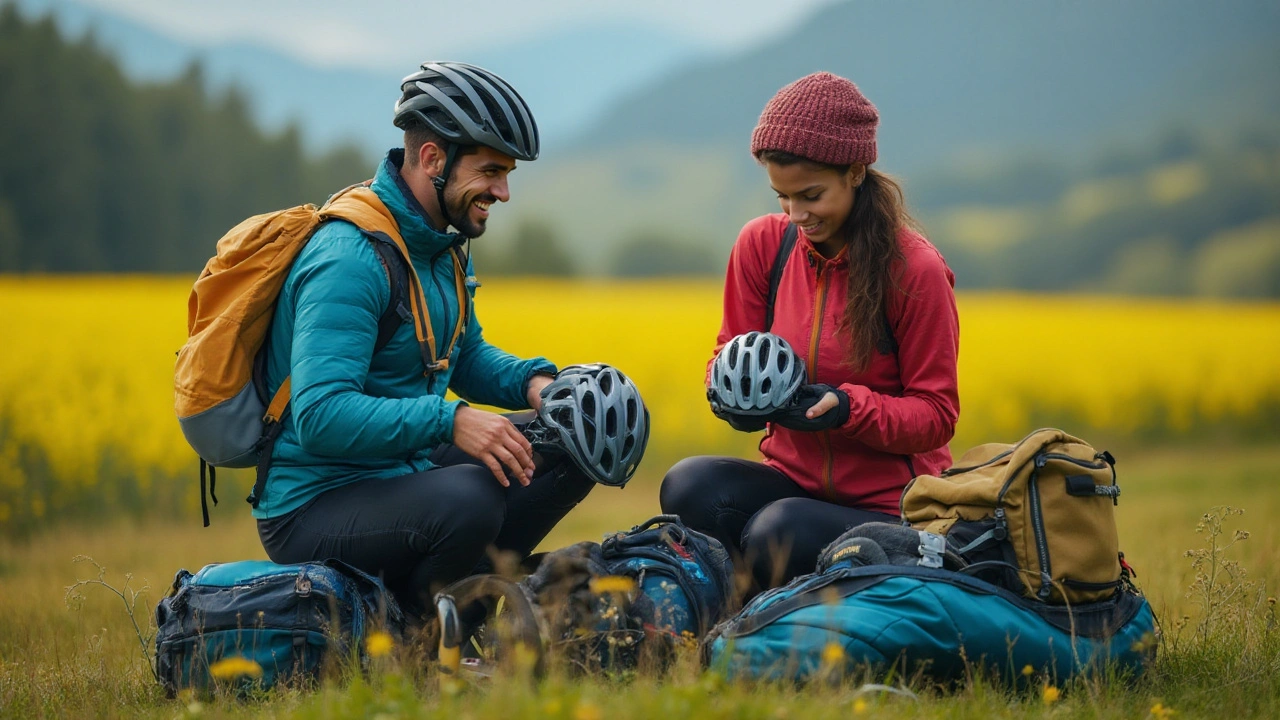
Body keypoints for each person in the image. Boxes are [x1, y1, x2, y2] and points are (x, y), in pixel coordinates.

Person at [253, 62, 594, 622]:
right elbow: (319, 414)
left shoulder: (442, 243)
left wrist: (537, 383)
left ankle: (467, 606)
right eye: (490, 171)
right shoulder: (349, 257)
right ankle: (418, 632)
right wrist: (450, 420)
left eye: (508, 174)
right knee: (470, 499)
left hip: (398, 467)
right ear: (433, 159)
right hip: (315, 500)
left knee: (570, 438)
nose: (504, 192)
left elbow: (464, 354)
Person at [660, 72, 960, 593]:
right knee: (689, 485)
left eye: (811, 196)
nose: (796, 214)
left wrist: (847, 409)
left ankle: (765, 623)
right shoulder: (762, 246)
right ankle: (727, 620)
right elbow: (727, 352)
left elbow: (936, 416)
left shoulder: (915, 269)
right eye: (782, 196)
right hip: (789, 482)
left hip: (890, 506)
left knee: (777, 531)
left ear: (856, 171)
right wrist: (730, 393)